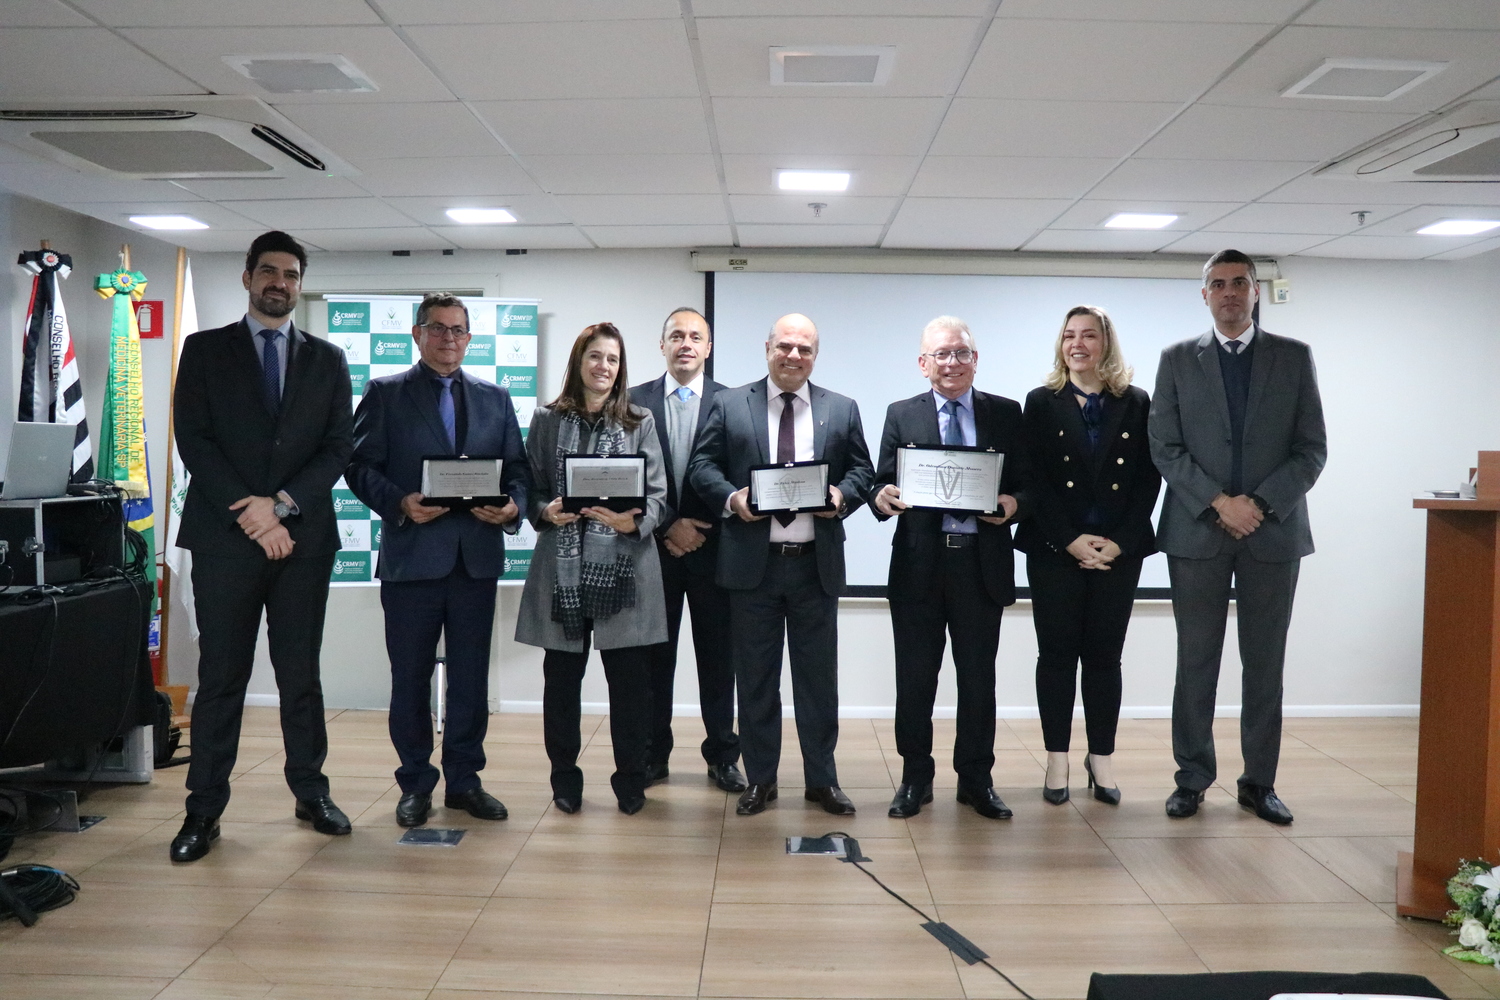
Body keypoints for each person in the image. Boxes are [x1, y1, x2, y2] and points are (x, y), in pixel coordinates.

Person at [168, 230, 354, 862]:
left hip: (303, 540)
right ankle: (203, 810)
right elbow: (194, 439)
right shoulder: (204, 350)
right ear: (248, 277)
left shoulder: (328, 359)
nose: (280, 283)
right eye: (269, 271)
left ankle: (311, 792)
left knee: (301, 675)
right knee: (222, 677)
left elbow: (337, 446)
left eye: (291, 274)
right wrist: (252, 513)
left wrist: (280, 506)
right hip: (226, 539)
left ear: (300, 284)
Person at [1149, 249, 1326, 825]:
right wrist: (1219, 502)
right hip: (1197, 531)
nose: (1229, 292)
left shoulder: (1293, 357)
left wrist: (1260, 504)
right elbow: (1165, 447)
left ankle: (1259, 783)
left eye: (1240, 283)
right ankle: (1192, 778)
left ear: (1255, 291)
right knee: (1195, 660)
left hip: (1272, 534)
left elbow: (1311, 449)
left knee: (1265, 663)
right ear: (1204, 295)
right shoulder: (1177, 359)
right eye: (1219, 284)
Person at [346, 293, 532, 828]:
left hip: (475, 561)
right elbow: (359, 467)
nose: (448, 338)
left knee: (471, 680)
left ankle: (465, 781)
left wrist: (514, 506)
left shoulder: (496, 398)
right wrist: (399, 502)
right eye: (438, 328)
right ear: (417, 334)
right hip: (412, 561)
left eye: (458, 330)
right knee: (410, 679)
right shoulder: (385, 394)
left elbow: (518, 471)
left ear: (469, 339)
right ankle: (415, 782)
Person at [688, 313, 873, 816]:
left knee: (818, 682)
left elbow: (862, 470)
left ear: (816, 355)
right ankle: (761, 780)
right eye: (785, 346)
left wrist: (842, 495)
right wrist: (732, 499)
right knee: (755, 680)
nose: (794, 356)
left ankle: (822, 781)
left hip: (815, 566)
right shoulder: (730, 403)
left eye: (804, 349)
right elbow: (702, 466)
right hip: (754, 567)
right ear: (767, 347)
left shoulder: (841, 408)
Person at [869, 316, 1027, 821]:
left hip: (980, 565)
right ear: (923, 364)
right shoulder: (901, 413)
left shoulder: (1006, 413)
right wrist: (882, 496)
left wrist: (1013, 504)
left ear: (975, 360)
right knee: (916, 680)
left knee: (978, 681)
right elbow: (880, 482)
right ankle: (915, 778)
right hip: (919, 565)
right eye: (941, 354)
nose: (952, 362)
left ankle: (976, 781)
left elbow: (1030, 485)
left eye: (961, 353)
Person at [515, 323, 668, 815]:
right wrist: (544, 510)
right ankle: (565, 781)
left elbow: (658, 494)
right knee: (561, 684)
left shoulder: (640, 420)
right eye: (596, 357)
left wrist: (633, 520)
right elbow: (530, 485)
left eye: (613, 359)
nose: (604, 367)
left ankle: (631, 782)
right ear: (579, 361)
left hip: (624, 567)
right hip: (561, 570)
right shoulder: (546, 419)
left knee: (630, 687)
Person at [1015, 306, 1160, 807]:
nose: (1078, 344)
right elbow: (1033, 479)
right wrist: (1069, 539)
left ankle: (1101, 760)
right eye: (1069, 336)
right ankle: (1056, 759)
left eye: (1089, 335)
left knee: (1104, 658)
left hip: (1118, 552)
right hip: (1056, 550)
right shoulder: (1041, 402)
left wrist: (1120, 540)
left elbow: (1148, 479)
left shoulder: (1136, 402)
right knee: (1056, 657)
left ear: (1106, 343)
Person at [629, 307, 745, 793]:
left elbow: (738, 475)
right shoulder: (631, 401)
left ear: (709, 347)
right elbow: (625, 476)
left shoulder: (733, 402)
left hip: (715, 549)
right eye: (676, 336)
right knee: (655, 660)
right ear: (662, 345)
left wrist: (698, 528)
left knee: (718, 661)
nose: (686, 344)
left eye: (696, 337)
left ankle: (723, 756)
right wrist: (668, 525)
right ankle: (653, 755)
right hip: (652, 550)